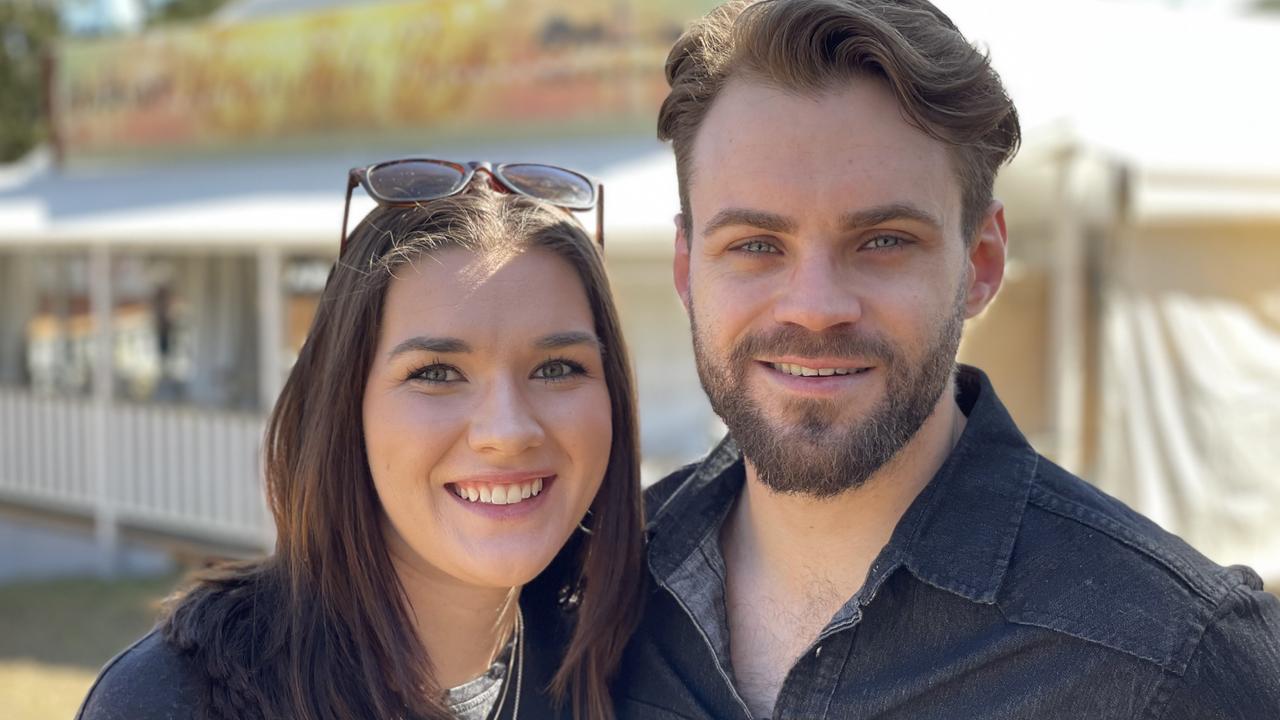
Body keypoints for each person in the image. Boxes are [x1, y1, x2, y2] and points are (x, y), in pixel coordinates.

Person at [617, 1, 1280, 718]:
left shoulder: (1179, 657)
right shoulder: (587, 594)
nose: (813, 306)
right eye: (754, 244)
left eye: (883, 241)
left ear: (982, 262)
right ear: (687, 268)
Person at [78, 159, 645, 720]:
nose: (508, 431)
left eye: (556, 368)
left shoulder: (638, 671)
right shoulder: (166, 703)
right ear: (346, 406)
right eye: (436, 373)